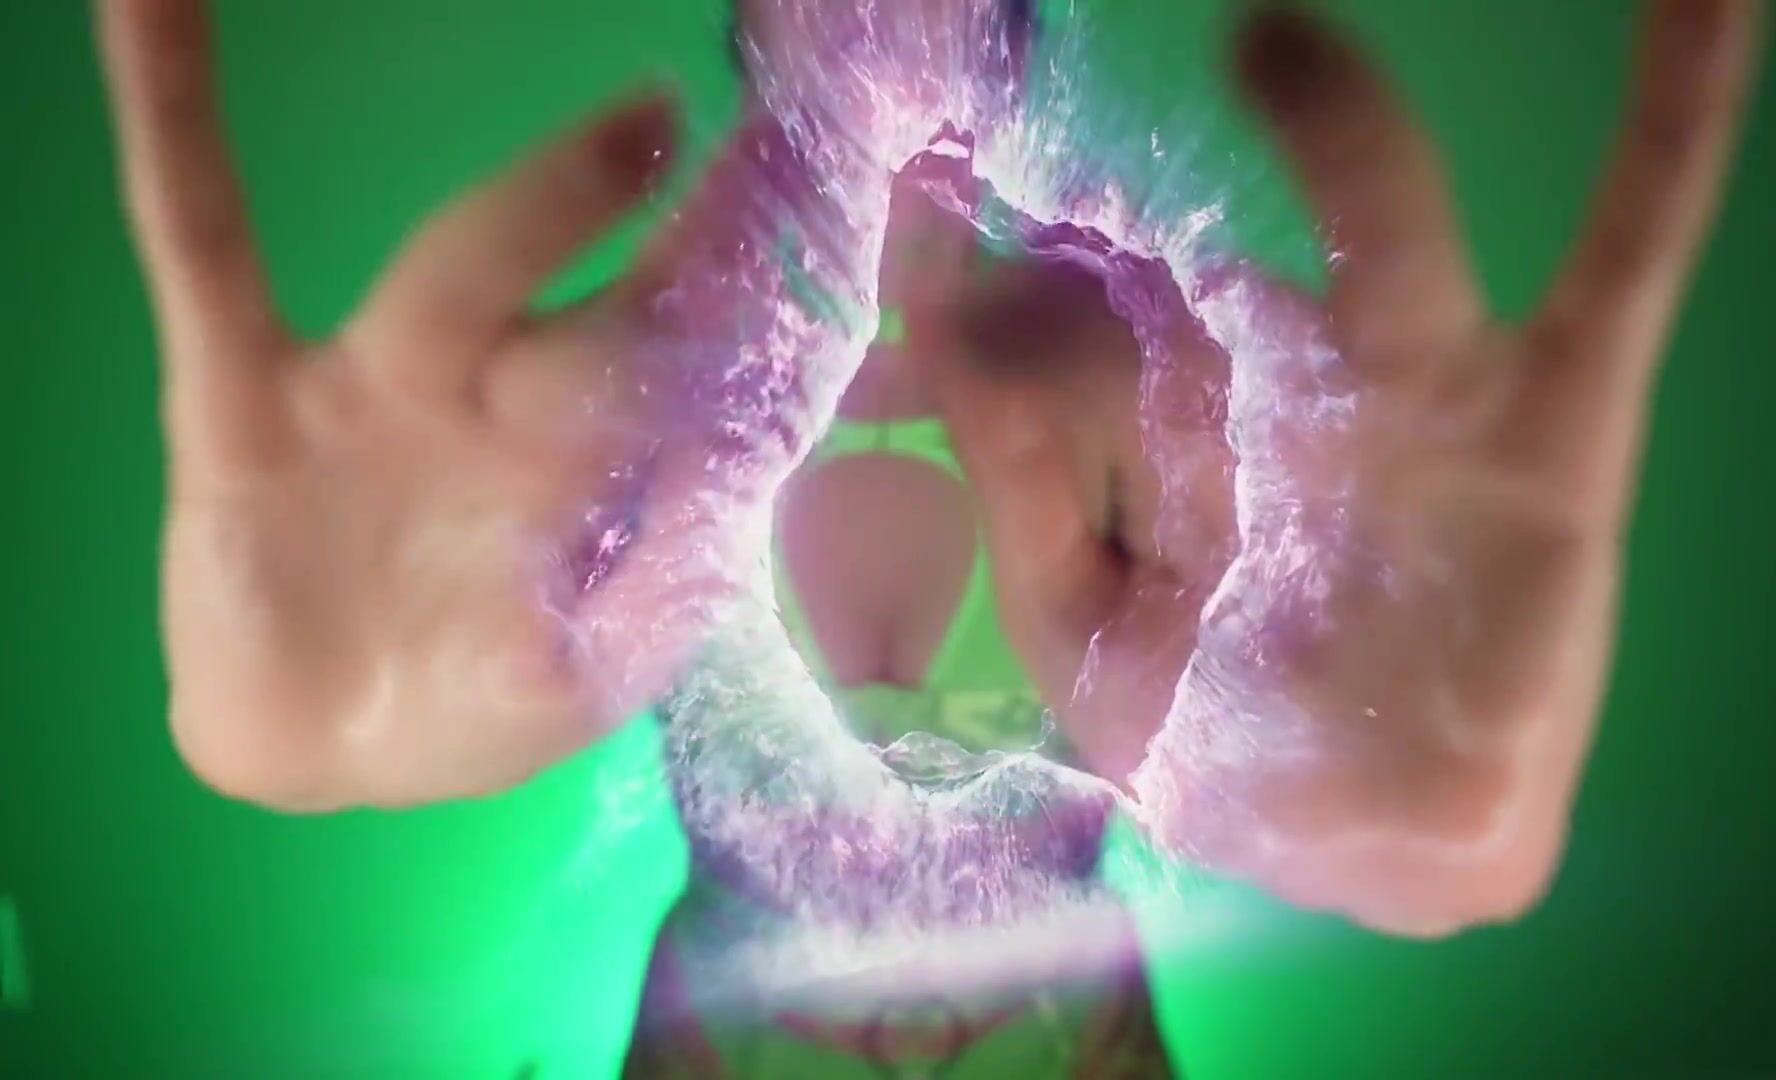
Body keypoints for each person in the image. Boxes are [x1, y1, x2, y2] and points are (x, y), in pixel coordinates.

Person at [95, 0, 1763, 1071]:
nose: (886, 51)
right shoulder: (639, 397)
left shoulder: (1136, 363)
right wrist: (316, 713)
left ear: (1021, 54)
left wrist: (1377, 771)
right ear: (758, 50)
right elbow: (452, 644)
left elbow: (1315, 737)